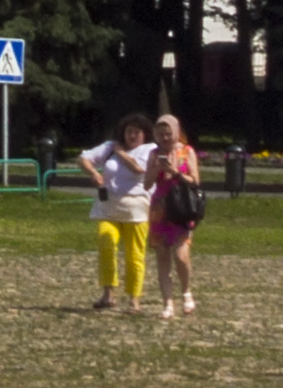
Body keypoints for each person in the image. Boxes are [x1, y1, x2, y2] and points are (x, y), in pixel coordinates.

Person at [83, 115, 155, 309]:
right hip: (108, 206)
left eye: (137, 132)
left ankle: (134, 299)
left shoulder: (150, 149)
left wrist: (122, 154)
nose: (132, 135)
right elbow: (83, 158)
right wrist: (94, 173)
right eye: (129, 131)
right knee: (106, 244)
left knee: (134, 255)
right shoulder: (110, 146)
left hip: (136, 209)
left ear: (144, 134)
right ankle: (108, 294)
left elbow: (139, 169)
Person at [150, 112, 205, 317]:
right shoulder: (154, 154)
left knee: (181, 255)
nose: (164, 138)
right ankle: (167, 304)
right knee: (162, 256)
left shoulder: (186, 151)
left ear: (176, 132)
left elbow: (195, 180)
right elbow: (147, 183)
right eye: (160, 133)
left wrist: (175, 171)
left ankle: (186, 292)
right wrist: (155, 169)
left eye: (168, 133)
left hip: (181, 207)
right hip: (159, 208)